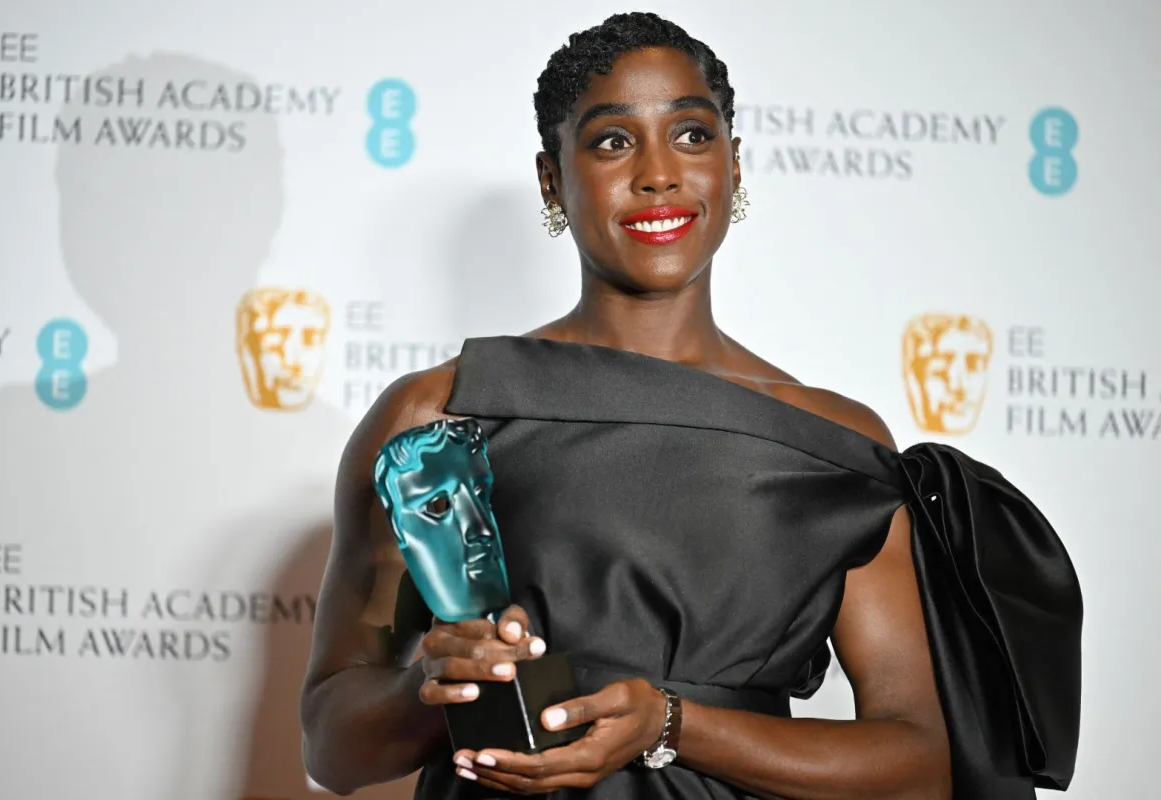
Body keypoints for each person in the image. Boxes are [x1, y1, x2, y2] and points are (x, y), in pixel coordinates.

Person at [299, 12, 1082, 800]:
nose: (658, 174)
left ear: (734, 167)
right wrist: (431, 689)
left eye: (691, 136)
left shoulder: (834, 445)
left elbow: (917, 764)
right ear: (551, 179)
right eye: (611, 141)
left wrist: (673, 723)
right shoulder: (437, 415)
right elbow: (332, 750)